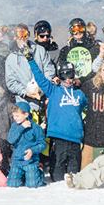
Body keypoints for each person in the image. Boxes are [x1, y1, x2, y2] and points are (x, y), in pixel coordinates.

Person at [27, 50, 86, 182]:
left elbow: (85, 106)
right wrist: (30, 59)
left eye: (71, 75)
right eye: (65, 76)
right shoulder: (53, 90)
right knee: (57, 174)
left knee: (74, 175)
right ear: (60, 76)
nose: (68, 79)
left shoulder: (79, 94)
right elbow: (40, 78)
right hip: (58, 138)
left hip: (75, 139)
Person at [5, 24, 54, 112]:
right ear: (15, 37)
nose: (23, 38)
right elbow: (11, 82)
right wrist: (26, 92)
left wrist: (42, 88)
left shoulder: (40, 50)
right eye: (20, 35)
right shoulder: (11, 58)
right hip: (24, 103)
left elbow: (49, 70)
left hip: (44, 99)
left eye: (26, 34)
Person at [6, 101, 47, 188]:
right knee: (12, 184)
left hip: (31, 161)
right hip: (17, 160)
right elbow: (10, 140)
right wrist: (21, 128)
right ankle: (25, 176)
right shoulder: (14, 126)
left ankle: (39, 171)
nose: (15, 118)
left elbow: (43, 144)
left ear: (26, 114)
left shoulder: (35, 128)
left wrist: (33, 150)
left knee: (32, 185)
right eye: (14, 116)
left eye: (17, 116)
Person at [58, 17, 100, 83]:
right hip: (71, 82)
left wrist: (82, 80)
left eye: (80, 28)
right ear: (71, 31)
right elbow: (61, 68)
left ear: (85, 29)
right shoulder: (66, 50)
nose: (78, 32)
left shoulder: (93, 47)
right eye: (74, 30)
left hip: (90, 82)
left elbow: (97, 68)